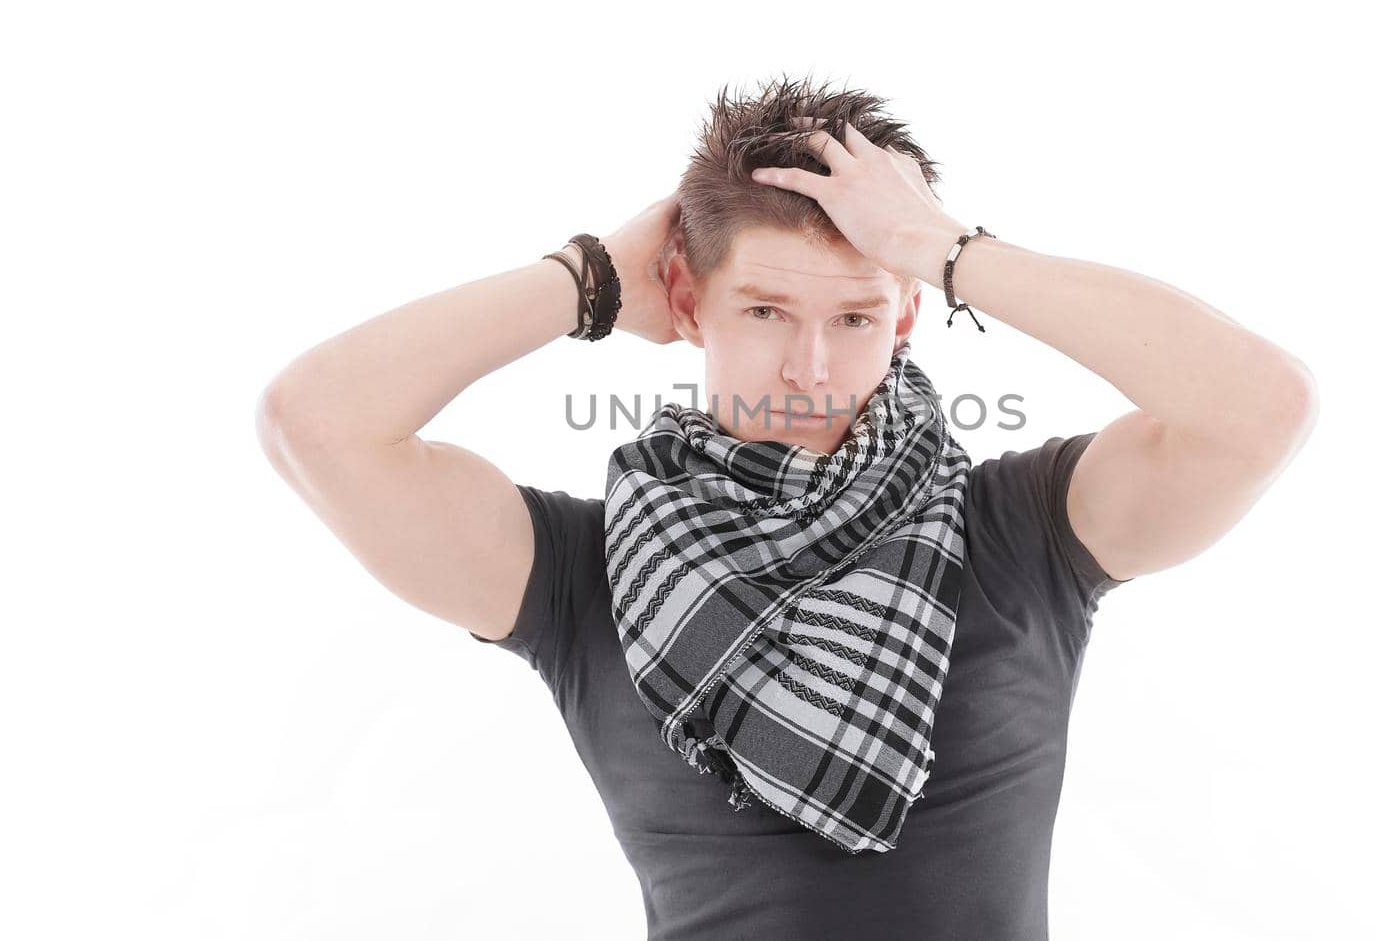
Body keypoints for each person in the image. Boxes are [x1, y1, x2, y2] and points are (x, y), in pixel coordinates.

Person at [257, 75, 1319, 939]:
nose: (810, 365)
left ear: (905, 314)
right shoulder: (585, 570)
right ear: (683, 300)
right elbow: (315, 422)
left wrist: (951, 251)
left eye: (856, 314)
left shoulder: (1020, 529)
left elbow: (1259, 407)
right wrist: (582, 277)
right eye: (764, 308)